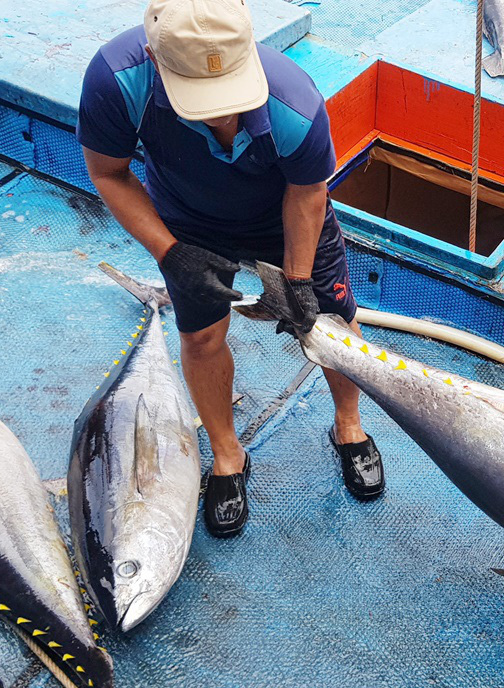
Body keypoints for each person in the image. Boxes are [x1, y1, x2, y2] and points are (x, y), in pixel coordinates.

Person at [77, 0, 385, 538]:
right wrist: (171, 252)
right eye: (201, 100)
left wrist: (295, 279)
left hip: (280, 214)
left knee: (332, 327)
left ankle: (349, 425)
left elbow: (307, 194)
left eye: (232, 97)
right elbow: (108, 173)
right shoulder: (117, 80)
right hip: (185, 218)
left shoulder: (296, 105)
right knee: (200, 337)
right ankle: (226, 453)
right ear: (154, 57)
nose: (222, 116)